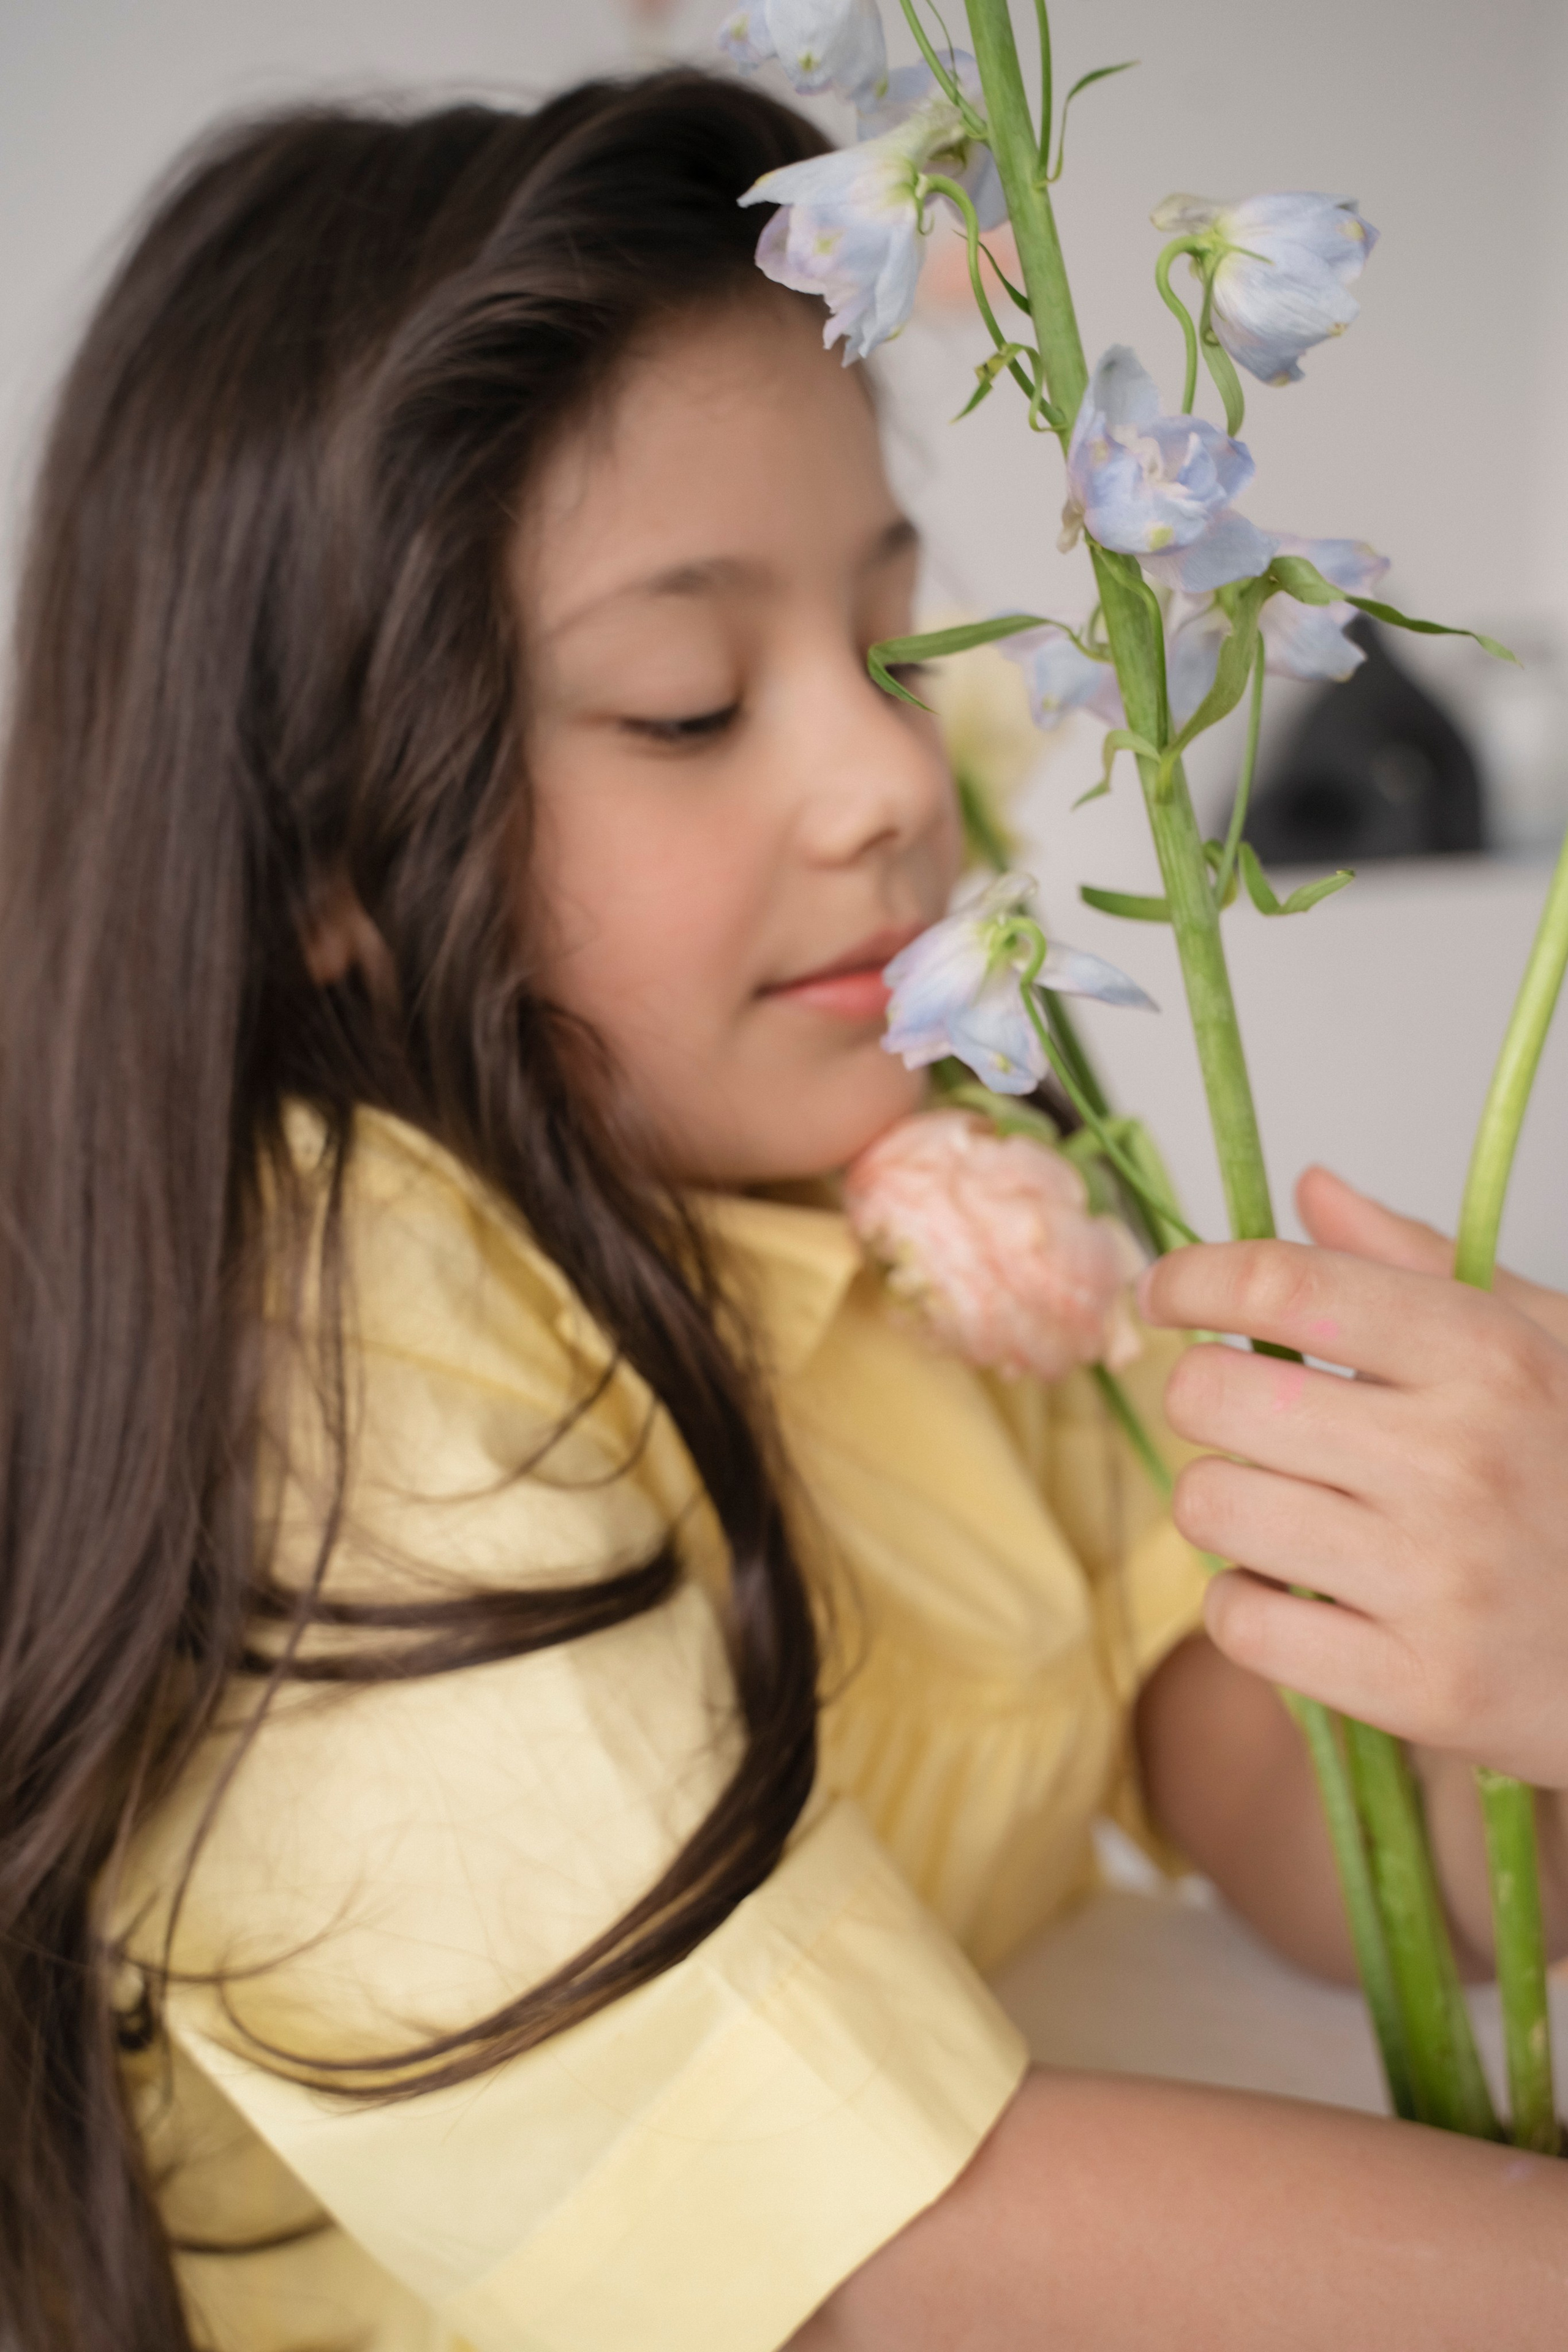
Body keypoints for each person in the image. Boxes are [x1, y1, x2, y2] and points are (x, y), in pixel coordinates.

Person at [1, 66, 1566, 2352]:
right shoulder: (327, 1344)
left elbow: (1248, 1768)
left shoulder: (889, 1176)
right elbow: (864, 2244)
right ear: (317, 851)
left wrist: (1513, 1638)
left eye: (897, 643)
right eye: (686, 701)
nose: (892, 779)